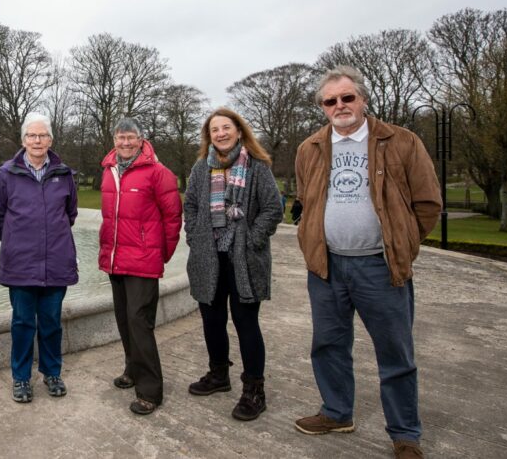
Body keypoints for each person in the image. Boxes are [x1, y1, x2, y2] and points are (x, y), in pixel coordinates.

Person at [294, 66, 441, 459]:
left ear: (362, 99)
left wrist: (401, 242)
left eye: (347, 97)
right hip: (327, 268)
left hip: (379, 266)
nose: (340, 105)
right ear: (322, 107)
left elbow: (427, 204)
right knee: (328, 345)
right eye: (331, 101)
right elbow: (306, 202)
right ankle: (337, 412)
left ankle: (405, 434)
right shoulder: (311, 148)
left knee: (395, 353)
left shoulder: (401, 141)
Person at [183, 108, 283, 421]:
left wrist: (253, 238)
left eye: (227, 127)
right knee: (212, 321)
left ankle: (254, 389)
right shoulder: (202, 168)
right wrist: (194, 235)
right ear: (208, 136)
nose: (221, 133)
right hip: (208, 256)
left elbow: (272, 208)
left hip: (244, 257)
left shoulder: (257, 166)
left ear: (239, 131)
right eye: (215, 130)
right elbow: (191, 205)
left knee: (245, 322)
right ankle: (218, 375)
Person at [0, 113, 79, 404]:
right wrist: (17, 241)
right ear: (23, 140)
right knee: (23, 322)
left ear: (50, 140)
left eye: (42, 136)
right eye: (31, 136)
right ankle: (21, 378)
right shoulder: (6, 174)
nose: (37, 141)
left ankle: (52, 373)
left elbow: (70, 214)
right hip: (21, 263)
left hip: (56, 262)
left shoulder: (64, 174)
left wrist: (50, 240)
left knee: (51, 321)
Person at [99, 118, 182, 415]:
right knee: (124, 318)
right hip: (116, 259)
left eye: (130, 137)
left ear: (141, 139)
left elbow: (173, 219)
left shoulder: (158, 173)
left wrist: (161, 254)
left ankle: (150, 390)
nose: (125, 143)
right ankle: (132, 370)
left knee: (139, 321)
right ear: (114, 140)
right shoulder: (108, 170)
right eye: (120, 137)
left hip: (143, 260)